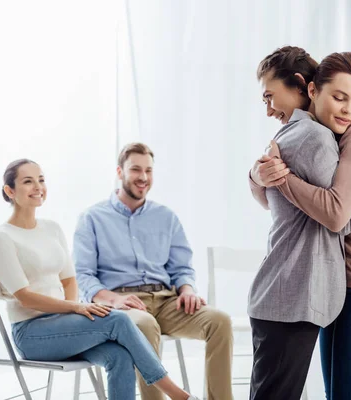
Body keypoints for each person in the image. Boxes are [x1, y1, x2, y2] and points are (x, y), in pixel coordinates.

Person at [250, 46, 351, 400]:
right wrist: (260, 174)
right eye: (340, 98)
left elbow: (338, 215)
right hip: (335, 281)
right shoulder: (316, 133)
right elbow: (278, 204)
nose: (349, 110)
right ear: (313, 90)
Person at [0, 159, 198, 400]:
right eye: (28, 181)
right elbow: (25, 298)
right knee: (116, 319)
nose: (38, 186)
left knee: (120, 356)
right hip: (32, 335)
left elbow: (69, 280)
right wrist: (76, 307)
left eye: (41, 180)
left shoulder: (51, 228)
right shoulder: (1, 238)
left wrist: (71, 314)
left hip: (63, 324)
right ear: (9, 191)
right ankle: (180, 396)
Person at [73, 143, 232, 400]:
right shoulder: (92, 218)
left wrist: (188, 289)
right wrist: (114, 299)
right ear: (119, 172)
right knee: (144, 326)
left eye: (148, 170)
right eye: (135, 169)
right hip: (123, 305)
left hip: (167, 300)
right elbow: (83, 276)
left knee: (220, 321)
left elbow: (181, 267)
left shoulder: (166, 217)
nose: (143, 177)